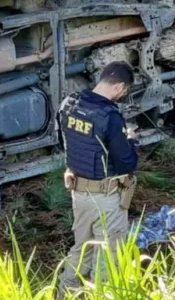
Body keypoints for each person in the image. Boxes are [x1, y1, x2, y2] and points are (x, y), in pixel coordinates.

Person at [56, 61, 139, 293]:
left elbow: (63, 141)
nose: (122, 96)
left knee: (81, 249)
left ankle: (64, 294)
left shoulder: (69, 104)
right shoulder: (110, 117)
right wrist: (131, 139)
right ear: (119, 86)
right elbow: (127, 162)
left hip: (78, 193)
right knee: (108, 256)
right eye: (124, 91)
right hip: (106, 197)